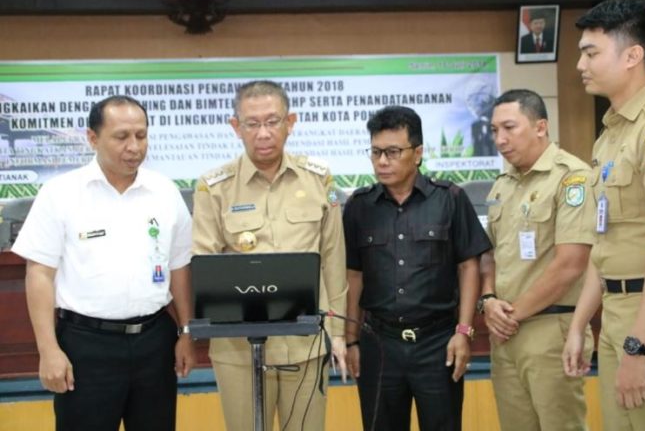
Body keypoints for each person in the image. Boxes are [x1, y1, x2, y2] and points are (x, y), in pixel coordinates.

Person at [12, 95, 196, 431]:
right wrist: (48, 350)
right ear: (93, 138)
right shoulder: (61, 193)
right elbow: (39, 273)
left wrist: (186, 332)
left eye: (141, 136)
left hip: (155, 341)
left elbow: (179, 266)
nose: (134, 146)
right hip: (85, 346)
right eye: (121, 136)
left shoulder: (164, 191)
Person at [563, 0, 645, 430]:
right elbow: (605, 245)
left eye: (591, 52)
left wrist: (639, 347)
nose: (580, 64)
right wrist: (581, 324)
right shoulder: (611, 135)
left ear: (633, 55)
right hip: (619, 317)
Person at [192, 80, 347, 431]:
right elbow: (204, 266)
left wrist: (336, 333)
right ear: (236, 127)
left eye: (273, 121)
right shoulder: (214, 187)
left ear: (290, 122)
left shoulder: (318, 180)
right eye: (252, 123)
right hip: (238, 350)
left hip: (306, 344)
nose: (263, 133)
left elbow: (334, 262)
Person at [343, 105, 491, 431]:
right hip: (379, 344)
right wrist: (351, 340)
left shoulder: (450, 198)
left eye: (393, 152)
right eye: (376, 152)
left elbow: (469, 266)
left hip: (438, 343)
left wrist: (463, 332)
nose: (382, 161)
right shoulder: (358, 206)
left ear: (418, 152)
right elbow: (353, 275)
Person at [480, 89, 595, 431]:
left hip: (550, 329)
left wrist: (511, 314)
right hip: (506, 333)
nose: (500, 139)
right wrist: (487, 299)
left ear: (541, 126)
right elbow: (490, 254)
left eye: (510, 128)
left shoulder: (571, 177)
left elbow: (571, 264)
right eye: (494, 131)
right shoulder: (503, 185)